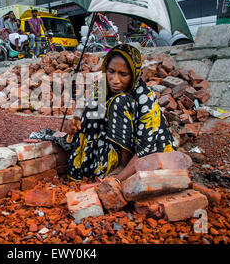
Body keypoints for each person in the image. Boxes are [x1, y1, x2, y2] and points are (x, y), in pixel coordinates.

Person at [63, 44, 176, 182]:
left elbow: (146, 149)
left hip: (147, 153)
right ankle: (96, 167)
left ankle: (123, 164)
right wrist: (73, 127)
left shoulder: (145, 96)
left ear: (134, 74)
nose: (115, 80)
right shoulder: (102, 87)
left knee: (120, 101)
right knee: (93, 110)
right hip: (113, 145)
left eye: (123, 74)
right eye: (111, 71)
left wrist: (116, 181)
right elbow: (90, 123)